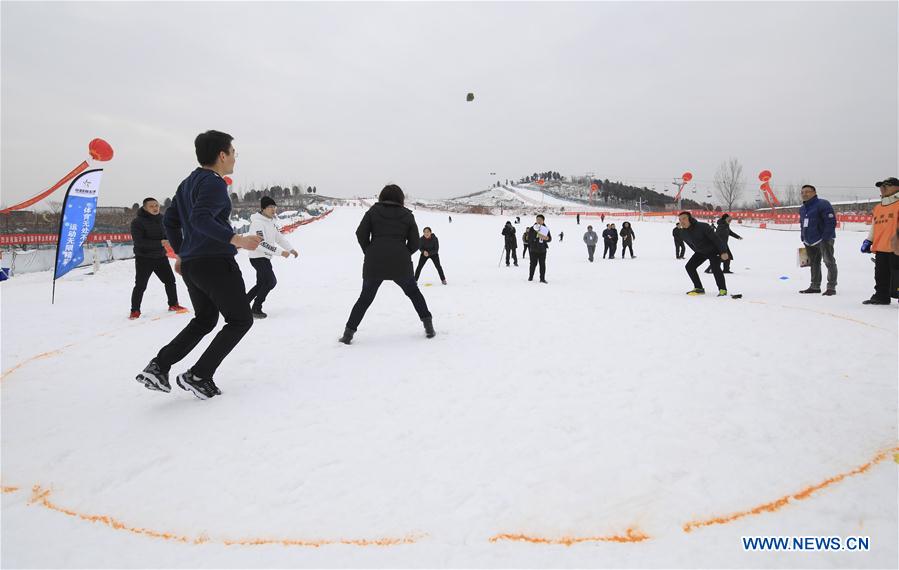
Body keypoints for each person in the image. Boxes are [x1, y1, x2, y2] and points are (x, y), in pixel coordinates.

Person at [135, 130, 262, 399]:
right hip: (215, 261)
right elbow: (201, 219)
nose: (235, 158)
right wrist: (236, 239)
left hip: (194, 264)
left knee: (205, 319)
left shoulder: (187, 183)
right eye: (233, 152)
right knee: (240, 319)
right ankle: (200, 374)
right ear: (222, 155)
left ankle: (159, 366)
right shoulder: (214, 183)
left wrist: (183, 254)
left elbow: (171, 222)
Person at [339, 184, 434, 344]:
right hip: (400, 263)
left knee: (365, 299)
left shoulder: (373, 212)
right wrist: (403, 254)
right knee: (413, 293)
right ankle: (429, 327)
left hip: (374, 262)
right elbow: (415, 244)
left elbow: (360, 233)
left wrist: (369, 251)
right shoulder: (407, 215)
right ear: (400, 198)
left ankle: (348, 334)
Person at [129, 197, 186, 319]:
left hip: (160, 256)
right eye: (151, 206)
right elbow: (139, 242)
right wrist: (161, 243)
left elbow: (168, 235)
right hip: (144, 258)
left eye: (156, 205)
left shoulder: (162, 219)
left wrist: (171, 240)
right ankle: (135, 310)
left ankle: (173, 304)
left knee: (170, 281)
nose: (155, 208)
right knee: (140, 285)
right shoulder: (137, 222)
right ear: (144, 208)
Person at [246, 196, 298, 319]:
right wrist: (280, 252)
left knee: (261, 284)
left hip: (265, 258)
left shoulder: (271, 222)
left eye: (274, 207)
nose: (273, 209)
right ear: (263, 208)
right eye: (270, 207)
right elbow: (260, 243)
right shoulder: (258, 223)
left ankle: (240, 304)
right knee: (270, 282)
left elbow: (278, 237)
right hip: (257, 257)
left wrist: (290, 249)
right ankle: (256, 308)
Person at [861, 177, 899, 305]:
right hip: (881, 246)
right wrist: (868, 240)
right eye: (881, 186)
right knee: (880, 274)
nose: (882, 188)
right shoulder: (878, 207)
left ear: (896, 187)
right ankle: (881, 296)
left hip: (896, 247)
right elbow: (874, 226)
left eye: (886, 185)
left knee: (897, 274)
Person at [798, 184, 838, 295]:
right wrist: (803, 236)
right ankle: (815, 286)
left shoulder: (823, 204)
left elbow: (830, 221)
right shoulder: (802, 208)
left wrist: (826, 237)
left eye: (807, 191)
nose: (804, 194)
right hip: (809, 240)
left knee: (829, 262)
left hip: (823, 239)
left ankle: (831, 287)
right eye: (802, 192)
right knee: (814, 263)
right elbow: (802, 223)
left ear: (814, 193)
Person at [678, 211, 729, 296]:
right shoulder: (683, 233)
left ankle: (722, 290)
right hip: (701, 252)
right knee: (689, 267)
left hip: (714, 251)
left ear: (690, 219)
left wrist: (723, 252)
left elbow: (716, 239)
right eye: (680, 219)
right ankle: (699, 288)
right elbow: (691, 245)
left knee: (715, 268)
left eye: (684, 219)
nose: (682, 221)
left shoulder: (702, 226)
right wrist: (698, 251)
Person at [524, 214, 552, 283]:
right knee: (533, 264)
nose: (538, 221)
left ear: (543, 221)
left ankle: (542, 278)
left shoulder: (546, 229)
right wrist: (536, 236)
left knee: (542, 265)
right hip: (533, 249)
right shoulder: (532, 228)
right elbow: (528, 239)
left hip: (542, 250)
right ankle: (530, 277)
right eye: (537, 219)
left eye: (540, 220)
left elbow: (550, 239)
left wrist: (546, 238)